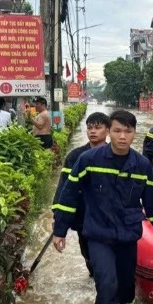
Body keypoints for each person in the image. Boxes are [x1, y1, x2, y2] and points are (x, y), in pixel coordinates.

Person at [52, 110, 153, 304]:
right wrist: (60, 230)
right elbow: (69, 196)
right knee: (106, 281)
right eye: (117, 131)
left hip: (128, 235)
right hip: (98, 234)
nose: (122, 136)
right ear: (110, 132)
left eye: (128, 132)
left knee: (126, 288)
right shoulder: (88, 160)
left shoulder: (142, 166)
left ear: (134, 134)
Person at [52, 112, 110, 277]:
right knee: (89, 255)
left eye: (98, 128)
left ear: (108, 130)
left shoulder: (116, 155)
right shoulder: (75, 156)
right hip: (84, 217)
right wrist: (58, 219)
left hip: (109, 217)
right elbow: (64, 189)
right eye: (90, 128)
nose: (93, 131)